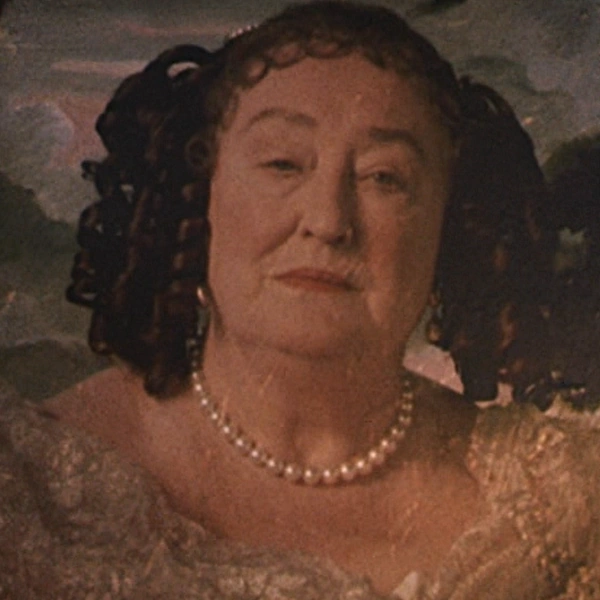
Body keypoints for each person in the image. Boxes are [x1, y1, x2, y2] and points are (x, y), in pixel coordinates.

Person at [1, 2, 599, 598]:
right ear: (199, 199)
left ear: (449, 227)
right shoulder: (31, 484)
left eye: (384, 178)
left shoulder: (560, 506)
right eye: (283, 163)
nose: (329, 221)